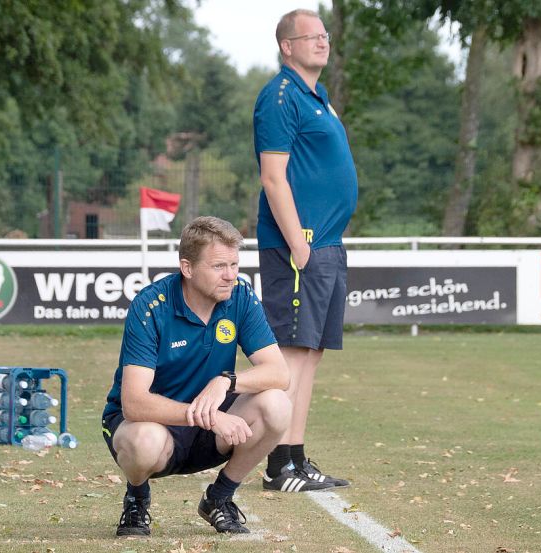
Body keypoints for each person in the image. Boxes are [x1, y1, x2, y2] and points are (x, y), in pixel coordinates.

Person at [102, 216, 292, 536]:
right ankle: (137, 498)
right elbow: (134, 404)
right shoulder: (151, 305)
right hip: (155, 427)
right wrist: (207, 417)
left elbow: (279, 373)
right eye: (219, 266)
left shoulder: (240, 296)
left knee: (277, 405)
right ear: (187, 268)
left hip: (208, 431)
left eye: (234, 264)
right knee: (143, 442)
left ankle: (219, 498)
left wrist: (226, 382)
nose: (230, 275)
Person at [252, 9, 358, 492]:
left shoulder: (319, 97)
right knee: (291, 350)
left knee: (310, 352)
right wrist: (298, 242)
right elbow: (273, 177)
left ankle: (295, 454)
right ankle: (278, 461)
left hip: (329, 246)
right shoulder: (279, 97)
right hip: (302, 247)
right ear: (286, 46)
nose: (321, 42)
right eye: (309, 36)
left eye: (325, 35)